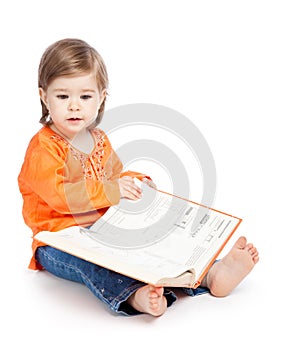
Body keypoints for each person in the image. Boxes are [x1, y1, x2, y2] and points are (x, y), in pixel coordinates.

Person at [18, 38, 259, 317]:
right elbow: (61, 196)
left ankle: (208, 273)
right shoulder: (44, 148)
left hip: (103, 228)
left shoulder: (98, 140)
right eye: (62, 97)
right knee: (94, 264)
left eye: (85, 97)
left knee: (151, 241)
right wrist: (113, 190)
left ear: (101, 98)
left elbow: (115, 177)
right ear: (44, 96)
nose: (74, 106)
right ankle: (134, 295)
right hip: (57, 240)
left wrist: (136, 182)